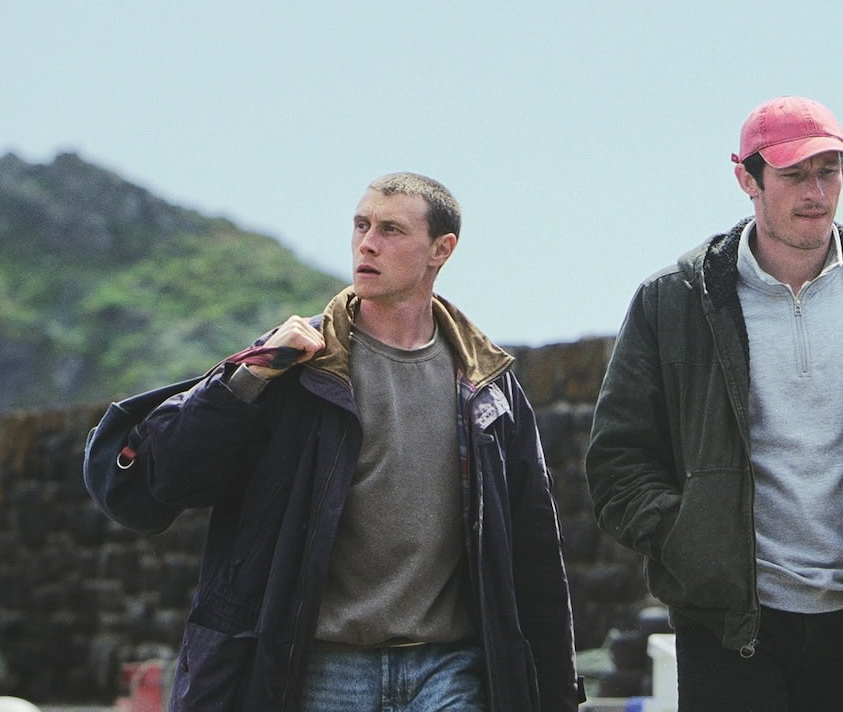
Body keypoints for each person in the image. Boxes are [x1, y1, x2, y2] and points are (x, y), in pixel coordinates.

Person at [107, 173, 583, 711]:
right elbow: (167, 476)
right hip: (322, 667)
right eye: (361, 225)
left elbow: (534, 550)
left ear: (441, 249)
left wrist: (557, 693)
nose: (367, 243)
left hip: (449, 668)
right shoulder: (294, 363)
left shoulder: (488, 385)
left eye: (391, 230)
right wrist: (250, 373)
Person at [584, 96, 843, 711]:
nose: (815, 192)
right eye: (794, 174)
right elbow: (619, 457)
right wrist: (686, 541)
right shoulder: (675, 300)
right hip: (726, 619)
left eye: (830, 171)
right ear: (747, 178)